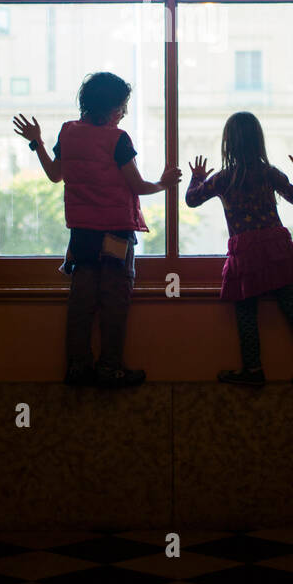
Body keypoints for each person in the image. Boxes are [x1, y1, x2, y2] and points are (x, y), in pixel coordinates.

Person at [14, 71, 180, 388]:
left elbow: (54, 175)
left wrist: (37, 142)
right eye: (122, 107)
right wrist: (164, 183)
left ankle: (78, 368)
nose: (123, 113)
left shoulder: (68, 132)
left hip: (82, 237)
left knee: (81, 305)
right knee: (114, 305)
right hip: (116, 234)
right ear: (113, 108)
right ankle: (110, 368)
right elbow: (137, 185)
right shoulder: (117, 140)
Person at [185, 110, 293, 387]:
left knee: (246, 308)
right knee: (289, 303)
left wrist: (197, 177)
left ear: (228, 144)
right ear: (258, 142)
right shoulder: (268, 172)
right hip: (275, 245)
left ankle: (253, 368)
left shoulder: (225, 178)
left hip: (246, 249)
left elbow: (191, 200)